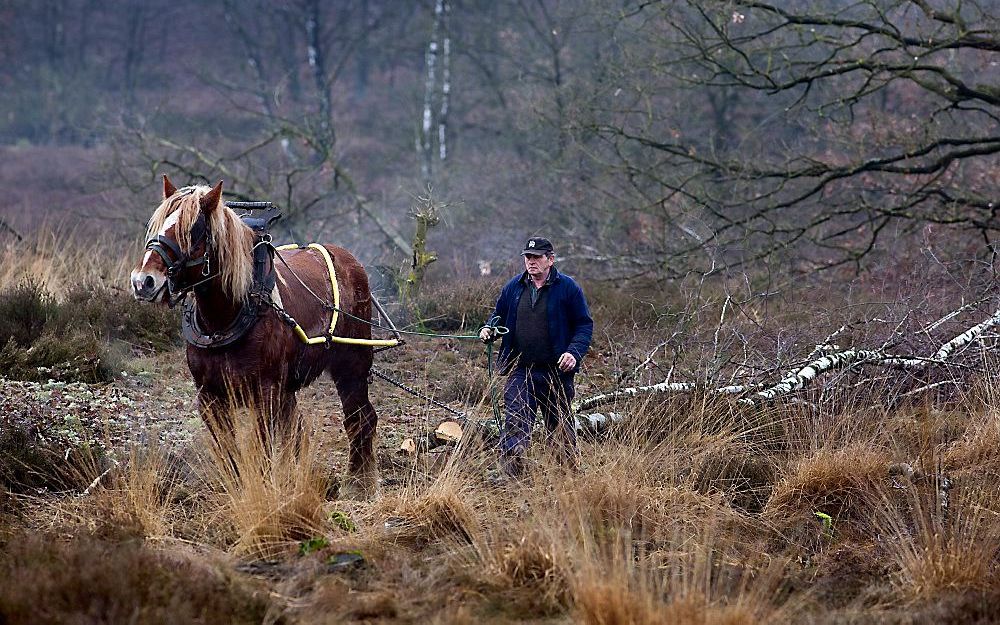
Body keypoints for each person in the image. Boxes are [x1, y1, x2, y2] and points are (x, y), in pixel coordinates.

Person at [479, 236, 593, 476]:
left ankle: (569, 477)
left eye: (536, 257)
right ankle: (512, 476)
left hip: (556, 371)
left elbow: (584, 325)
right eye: (527, 257)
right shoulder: (514, 287)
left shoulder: (568, 288)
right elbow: (498, 315)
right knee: (515, 421)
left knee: (559, 427)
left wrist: (573, 353)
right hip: (521, 368)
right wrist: (489, 328)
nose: (531, 262)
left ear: (550, 260)